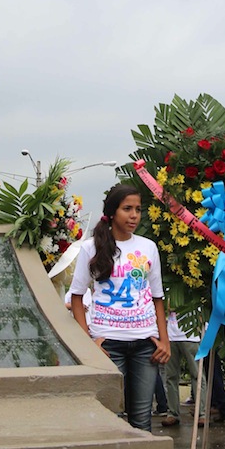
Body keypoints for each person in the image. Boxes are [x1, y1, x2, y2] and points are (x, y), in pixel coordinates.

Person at [69, 184, 170, 431]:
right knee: (109, 419)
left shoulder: (148, 247)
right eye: (127, 209)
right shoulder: (91, 248)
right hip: (108, 344)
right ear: (112, 212)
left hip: (145, 344)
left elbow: (157, 297)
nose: (134, 215)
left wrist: (164, 341)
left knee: (142, 419)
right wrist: (88, 343)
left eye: (138, 209)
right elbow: (77, 297)